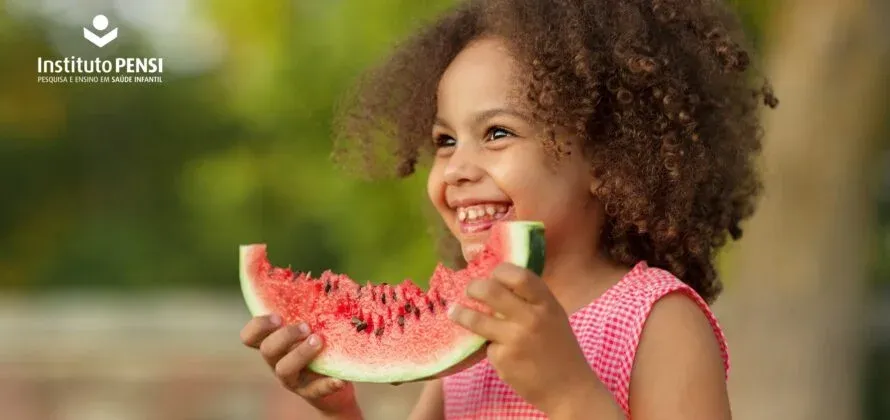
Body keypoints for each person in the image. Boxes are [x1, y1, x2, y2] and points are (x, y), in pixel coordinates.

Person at [239, 0, 779, 418]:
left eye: (497, 133)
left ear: (605, 160)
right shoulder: (470, 322)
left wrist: (568, 391)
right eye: (445, 140)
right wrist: (340, 411)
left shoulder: (658, 320)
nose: (457, 169)